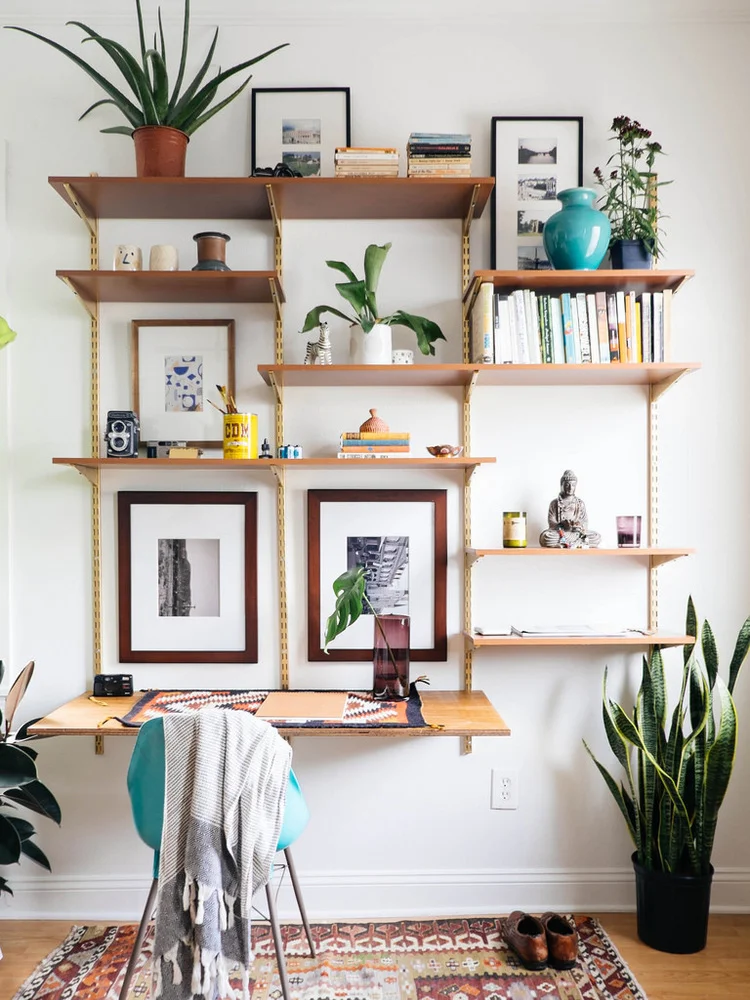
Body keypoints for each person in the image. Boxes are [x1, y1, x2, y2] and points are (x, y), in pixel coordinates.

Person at [539, 470, 601, 548]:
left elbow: (585, 522)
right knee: (546, 537)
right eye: (567, 485)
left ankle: (569, 543)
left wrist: (577, 525)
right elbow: (551, 523)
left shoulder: (580, 503)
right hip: (561, 533)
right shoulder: (554, 503)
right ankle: (575, 543)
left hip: (577, 533)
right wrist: (562, 525)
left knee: (596, 536)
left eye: (573, 485)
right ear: (561, 485)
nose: (570, 488)